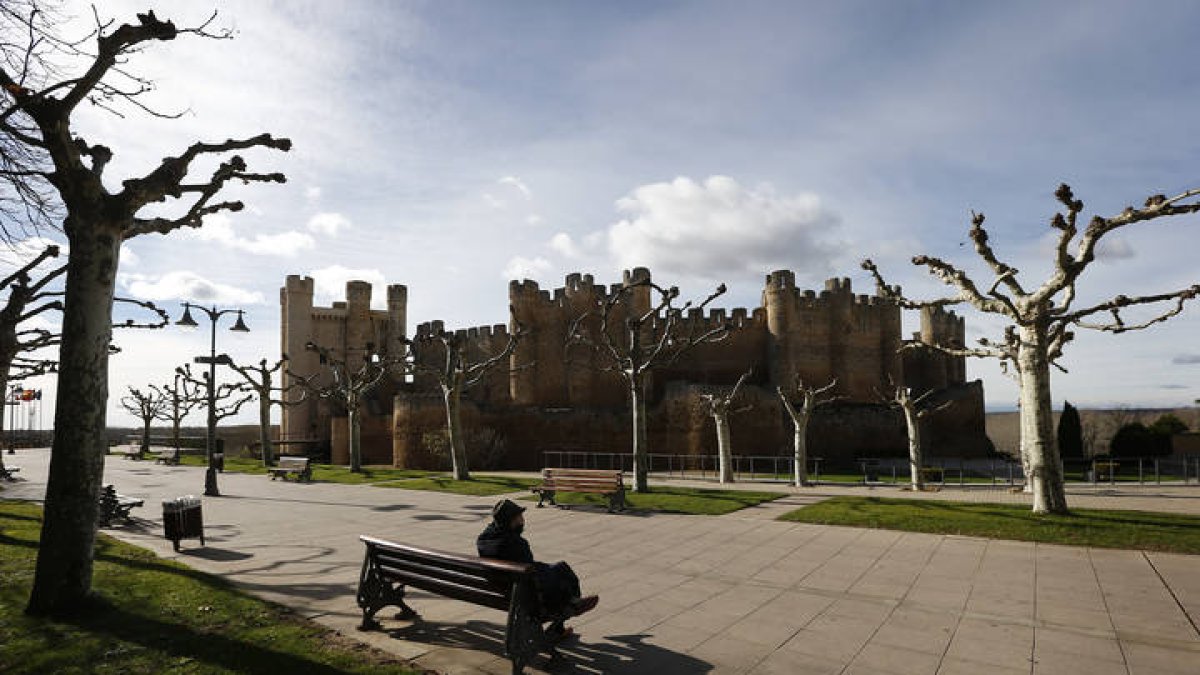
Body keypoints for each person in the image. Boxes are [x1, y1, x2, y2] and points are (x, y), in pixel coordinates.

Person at [477, 499, 598, 639]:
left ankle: (572, 605)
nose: (522, 520)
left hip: (502, 590)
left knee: (557, 568)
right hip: (526, 595)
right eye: (519, 517)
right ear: (511, 521)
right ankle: (571, 606)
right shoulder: (517, 543)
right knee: (563, 571)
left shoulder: (484, 539)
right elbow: (530, 574)